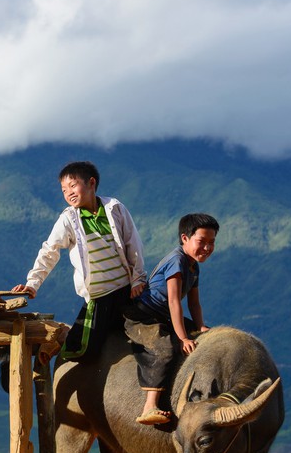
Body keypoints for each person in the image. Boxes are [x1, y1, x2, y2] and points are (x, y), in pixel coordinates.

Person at [11, 161, 147, 362]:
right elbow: (50, 251)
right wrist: (32, 284)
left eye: (73, 186)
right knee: (82, 349)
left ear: (91, 183)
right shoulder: (68, 220)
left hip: (126, 290)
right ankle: (61, 337)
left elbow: (133, 244)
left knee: (153, 328)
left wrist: (138, 279)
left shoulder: (114, 209)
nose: (69, 193)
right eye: (64, 190)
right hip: (99, 297)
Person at [127, 213, 219, 425]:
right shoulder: (177, 261)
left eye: (211, 243)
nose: (207, 248)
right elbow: (174, 302)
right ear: (185, 238)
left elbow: (194, 303)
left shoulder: (194, 266)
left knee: (204, 336)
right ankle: (149, 406)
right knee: (165, 348)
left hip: (164, 316)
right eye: (201, 242)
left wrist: (200, 326)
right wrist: (183, 338)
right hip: (144, 316)